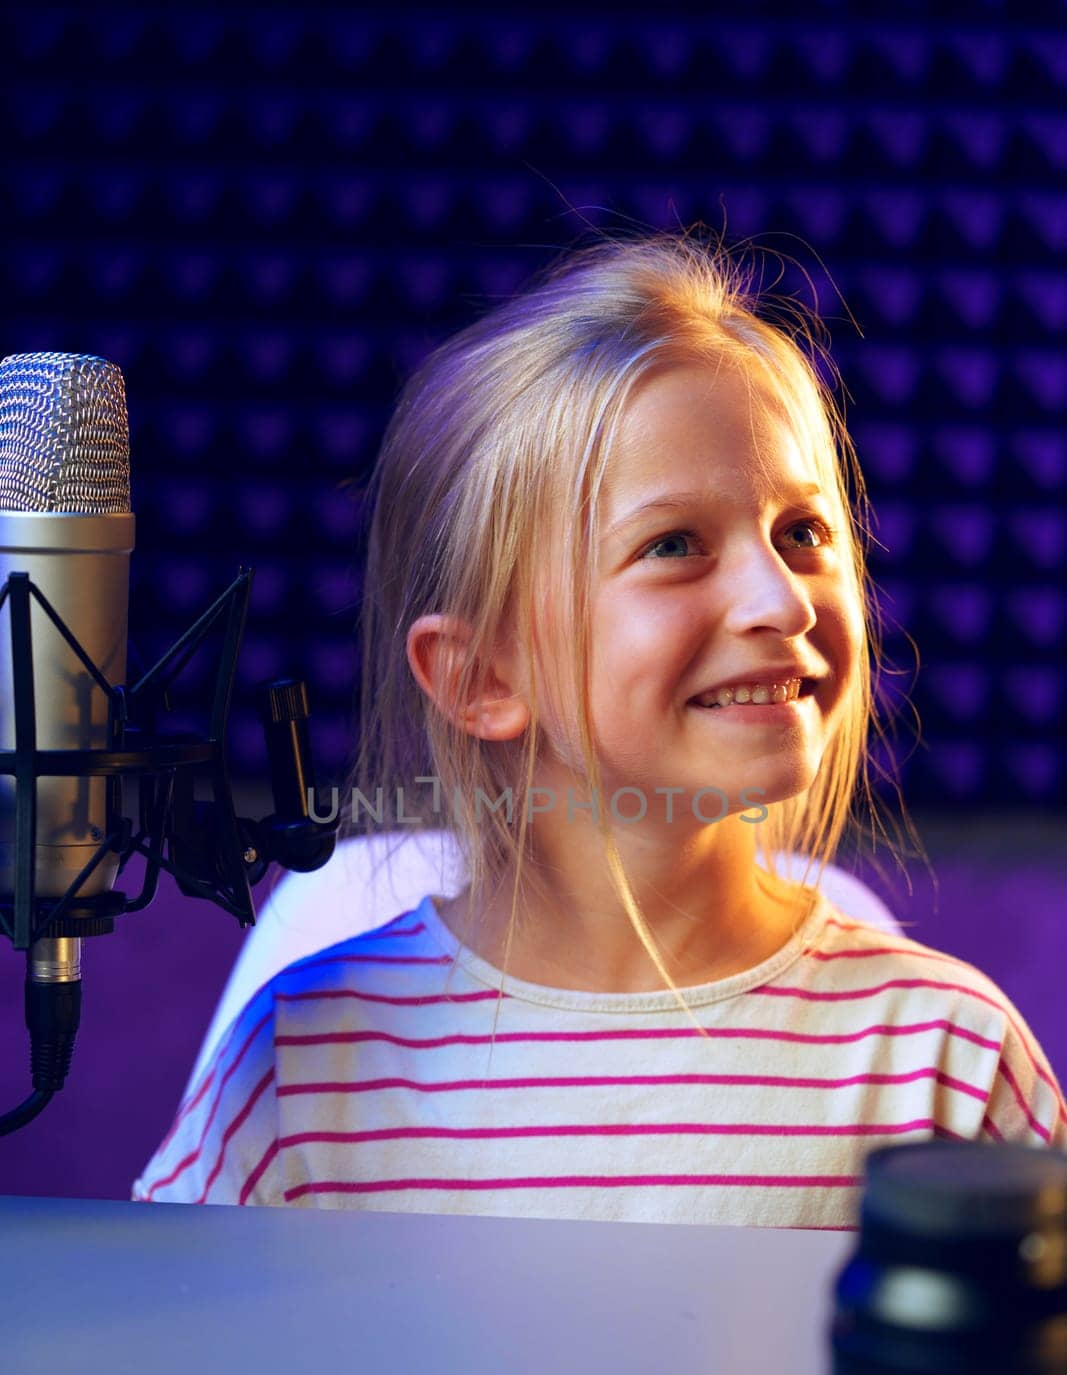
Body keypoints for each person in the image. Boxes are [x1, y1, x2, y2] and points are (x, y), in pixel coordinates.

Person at [132, 230, 1067, 1224]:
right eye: (673, 545)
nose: (781, 601)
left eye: (801, 533)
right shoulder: (302, 1074)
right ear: (482, 675)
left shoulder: (947, 1063)